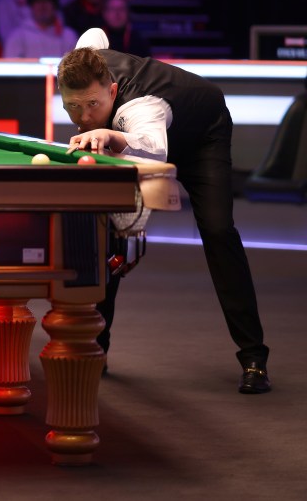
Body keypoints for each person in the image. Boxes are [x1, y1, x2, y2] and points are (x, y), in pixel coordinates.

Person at [57, 30, 272, 394]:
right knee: (106, 231)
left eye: (92, 105)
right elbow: (95, 35)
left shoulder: (139, 108)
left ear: (111, 91)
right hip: (142, 132)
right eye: (72, 107)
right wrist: (100, 124)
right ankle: (97, 350)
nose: (84, 117)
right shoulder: (86, 62)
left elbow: (153, 150)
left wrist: (112, 137)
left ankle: (254, 357)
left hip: (203, 135)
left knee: (219, 231)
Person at [2, 0, 77, 58]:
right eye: (38, 2)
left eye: (47, 1)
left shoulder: (68, 36)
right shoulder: (17, 37)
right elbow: (11, 68)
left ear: (55, 6)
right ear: (31, 7)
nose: (42, 6)